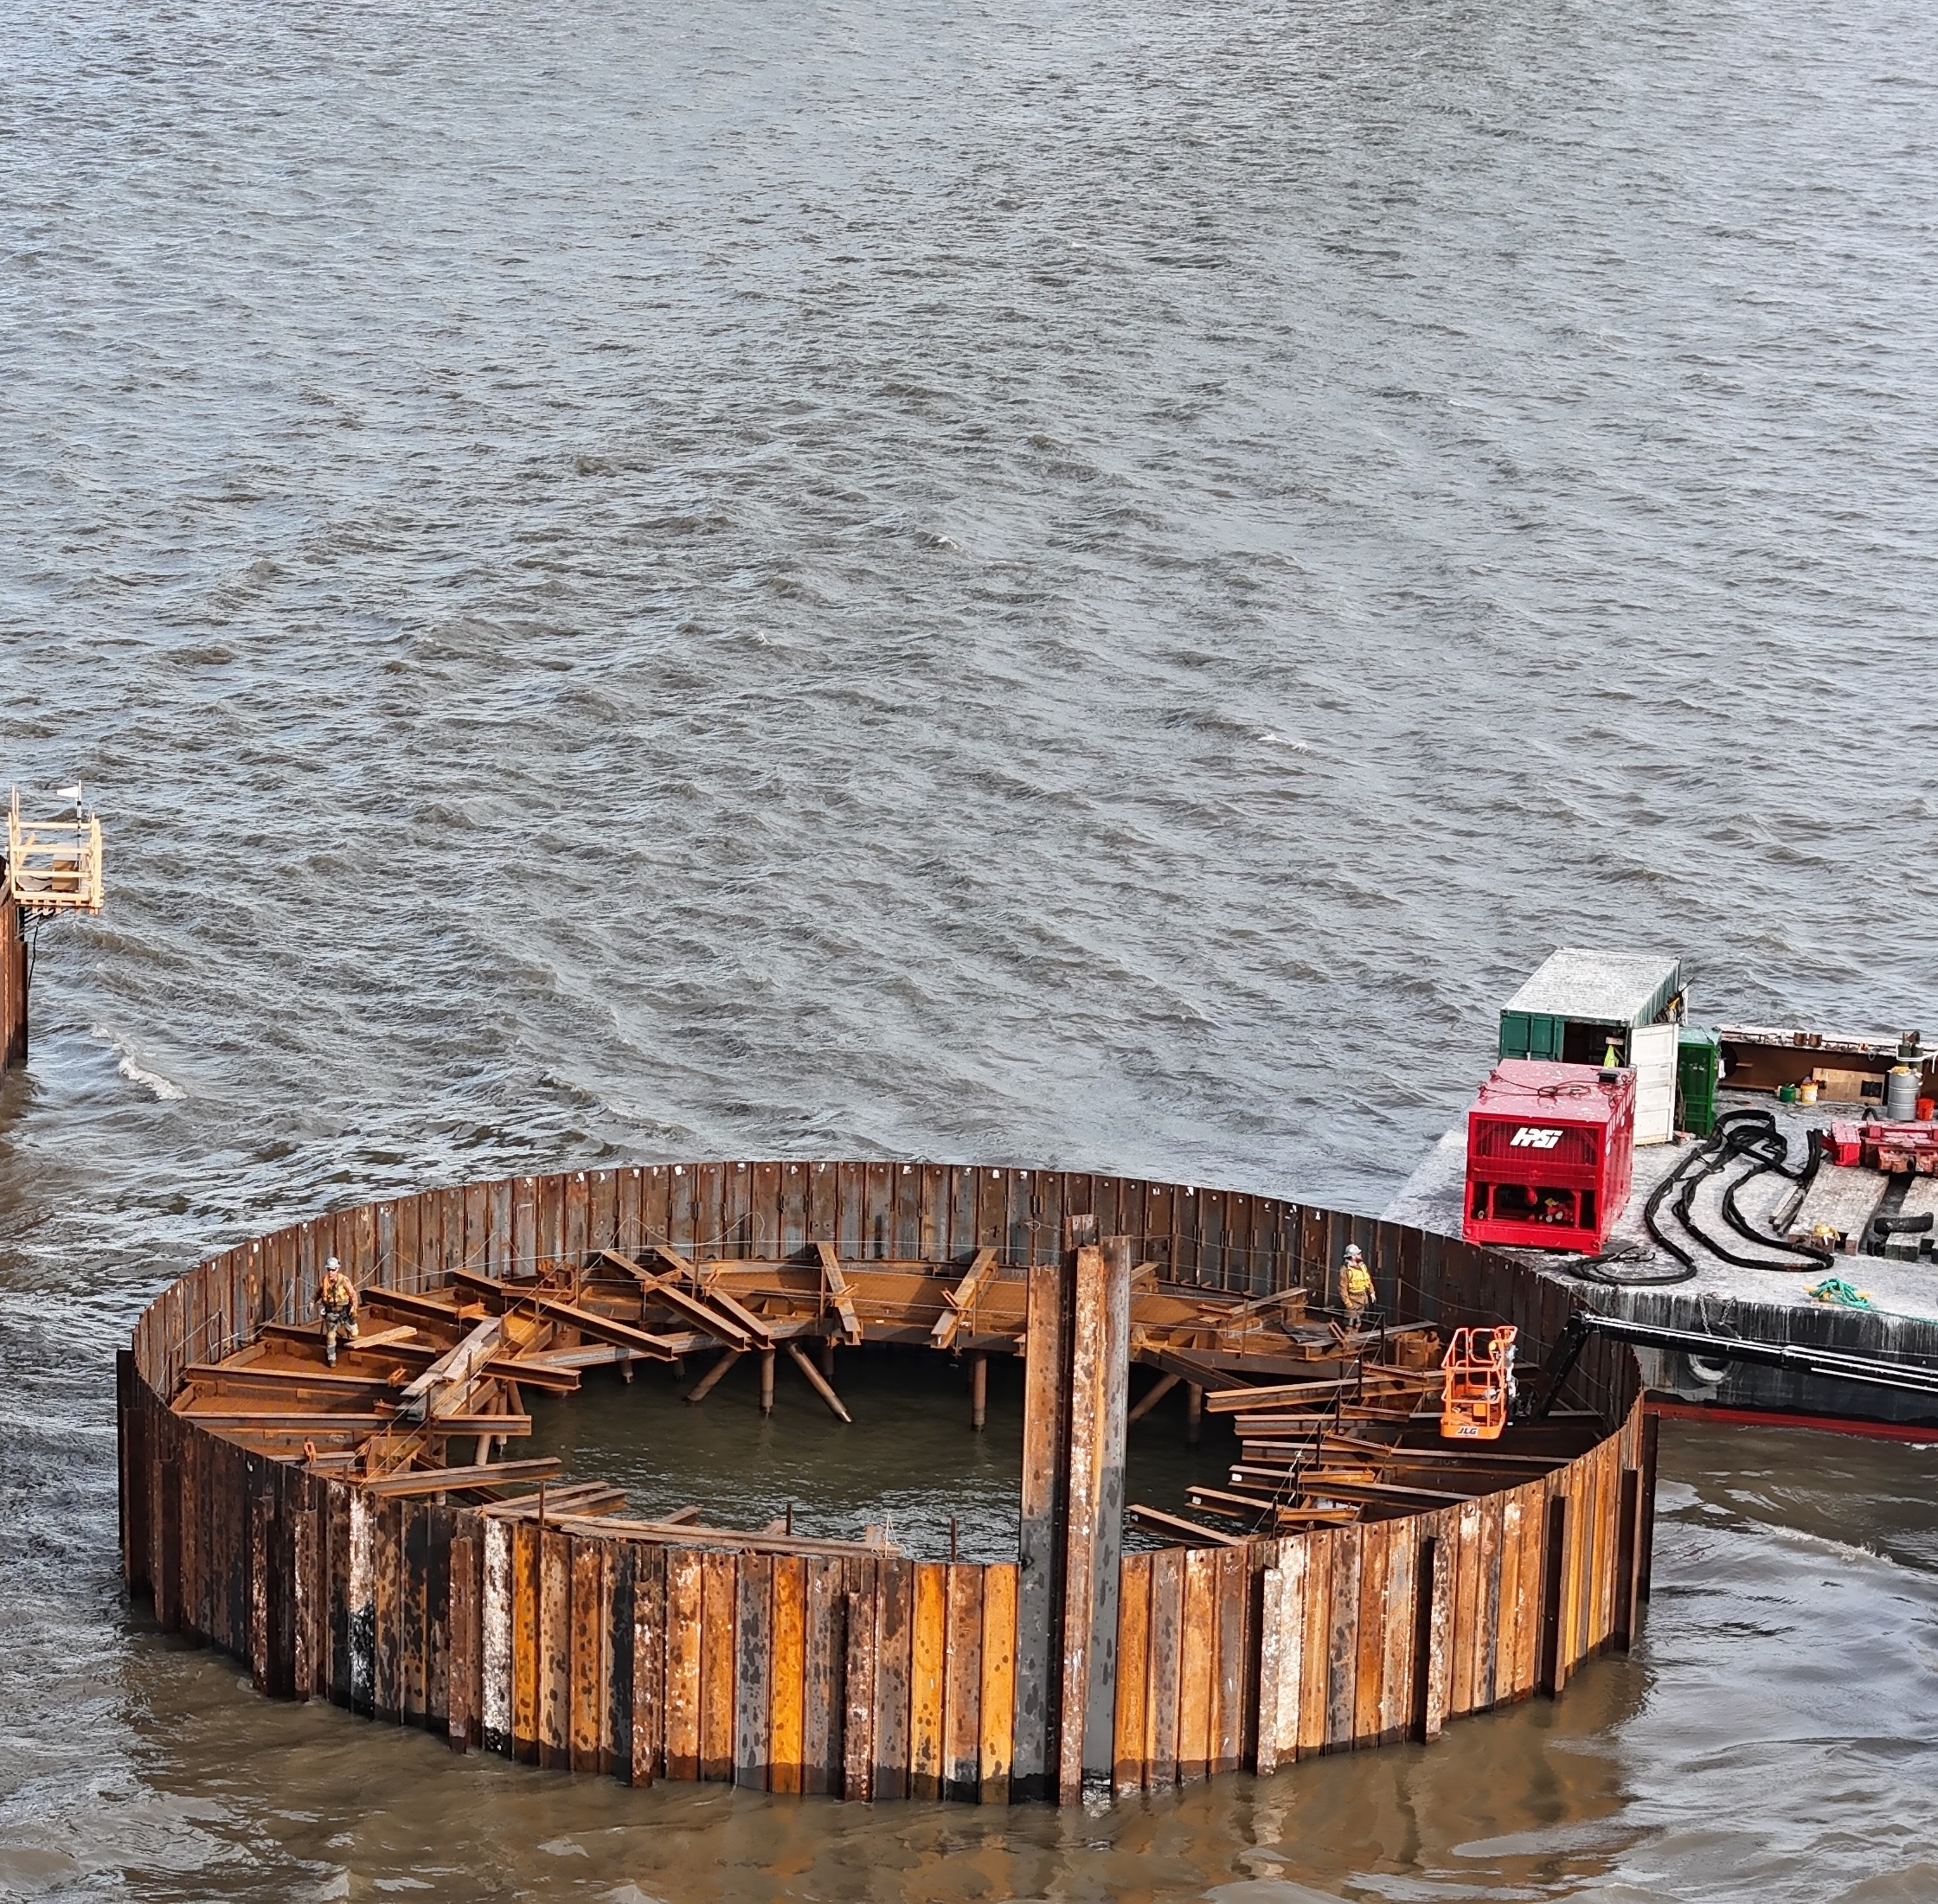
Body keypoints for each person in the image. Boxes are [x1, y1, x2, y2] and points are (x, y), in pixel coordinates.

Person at [318, 1256, 358, 1366]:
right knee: (330, 1336)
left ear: (337, 1269)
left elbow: (352, 1294)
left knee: (354, 1333)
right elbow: (317, 1293)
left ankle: (347, 1332)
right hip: (331, 1313)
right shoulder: (324, 1281)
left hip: (344, 1312)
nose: (331, 1272)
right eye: (329, 1269)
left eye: (333, 1269)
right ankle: (331, 1358)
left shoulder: (344, 1280)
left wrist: (354, 1306)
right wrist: (312, 1302)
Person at [1338, 1243, 1374, 1321]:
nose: (1360, 1255)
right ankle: (1348, 1332)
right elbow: (1342, 1288)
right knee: (1350, 1322)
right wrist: (1348, 1303)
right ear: (1353, 1256)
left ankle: (1355, 1332)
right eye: (1358, 1254)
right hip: (1352, 1299)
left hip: (1362, 1299)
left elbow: (1367, 1281)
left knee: (1358, 1321)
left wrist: (1371, 1292)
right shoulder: (1345, 1269)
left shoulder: (1362, 1267)